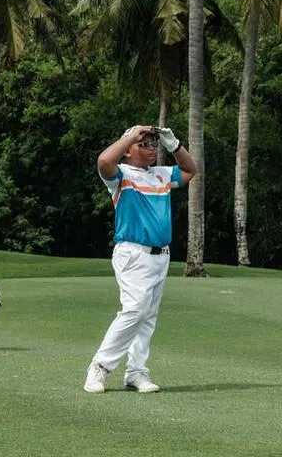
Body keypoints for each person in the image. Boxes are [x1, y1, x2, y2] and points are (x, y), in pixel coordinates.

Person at [83, 125, 197, 394]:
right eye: (143, 145)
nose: (151, 149)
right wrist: (130, 137)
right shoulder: (120, 175)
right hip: (133, 253)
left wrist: (174, 145)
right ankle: (99, 367)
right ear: (128, 151)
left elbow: (191, 170)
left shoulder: (162, 175)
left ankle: (136, 372)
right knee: (135, 309)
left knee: (148, 316)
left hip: (161, 255)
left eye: (152, 145)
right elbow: (103, 160)